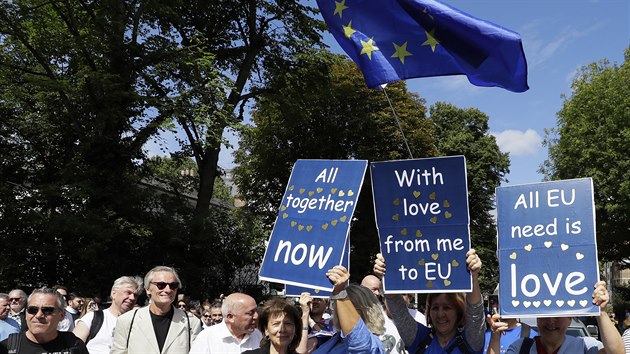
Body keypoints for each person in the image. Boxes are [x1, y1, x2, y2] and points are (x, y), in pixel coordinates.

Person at [374, 249, 486, 354]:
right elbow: (397, 307)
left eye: (447, 307)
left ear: (458, 311)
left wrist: (473, 276)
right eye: (435, 308)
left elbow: (475, 311)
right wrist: (387, 274)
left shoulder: (471, 341)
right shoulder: (420, 338)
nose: (440, 314)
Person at [487, 281, 625, 354]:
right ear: (537, 318)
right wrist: (495, 338)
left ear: (570, 319)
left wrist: (601, 311)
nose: (551, 321)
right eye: (545, 315)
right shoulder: (521, 348)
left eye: (558, 315)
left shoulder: (585, 347)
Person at [111, 266, 202, 354]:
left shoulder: (191, 322)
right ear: (148, 289)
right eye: (161, 285)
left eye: (173, 285)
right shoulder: (127, 320)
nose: (168, 289)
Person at [308, 265, 386, 354]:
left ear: (368, 312)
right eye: (339, 305)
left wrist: (340, 293)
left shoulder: (372, 344)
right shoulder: (336, 339)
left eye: (350, 307)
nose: (341, 310)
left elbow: (360, 344)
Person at [0, 287, 88, 354]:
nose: (38, 315)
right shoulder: (6, 347)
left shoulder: (74, 345)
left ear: (62, 315)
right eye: (32, 310)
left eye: (47, 310)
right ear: (26, 314)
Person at [73, 276, 143, 354]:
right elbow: (72, 348)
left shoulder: (138, 323)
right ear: (114, 293)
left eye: (135, 295)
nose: (132, 298)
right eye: (128, 292)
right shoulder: (92, 318)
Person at [189, 293, 262, 353]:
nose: (256, 316)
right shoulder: (206, 338)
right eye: (250, 313)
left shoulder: (258, 336)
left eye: (256, 311)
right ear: (230, 317)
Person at [482, 286, 537, 354]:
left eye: (507, 301)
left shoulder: (531, 335)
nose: (500, 306)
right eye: (495, 301)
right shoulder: (484, 334)